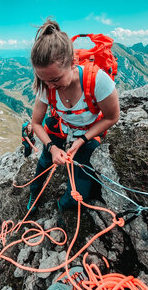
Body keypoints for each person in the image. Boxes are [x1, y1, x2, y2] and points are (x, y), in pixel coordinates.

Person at [27, 19, 120, 211]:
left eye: (55, 79)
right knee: (45, 160)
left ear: (72, 63)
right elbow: (36, 123)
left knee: (77, 194)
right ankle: (35, 191)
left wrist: (82, 140)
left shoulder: (97, 81)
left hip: (89, 131)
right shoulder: (46, 84)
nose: (50, 86)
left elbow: (112, 117)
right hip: (61, 127)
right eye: (45, 81)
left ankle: (62, 206)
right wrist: (52, 148)